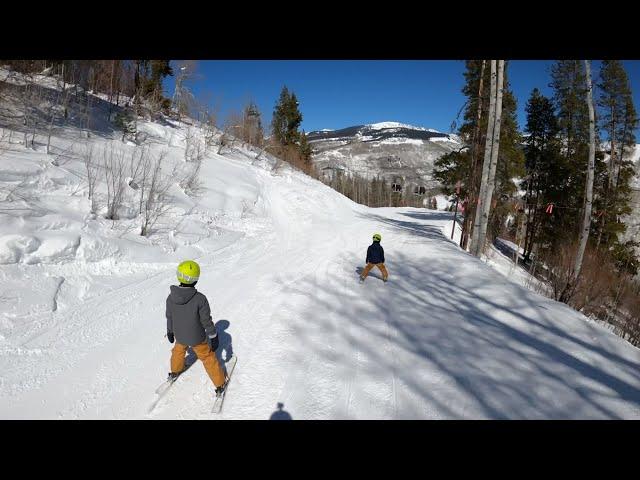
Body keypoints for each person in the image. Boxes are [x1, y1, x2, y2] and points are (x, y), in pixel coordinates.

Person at [166, 260, 227, 396]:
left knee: (178, 351)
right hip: (197, 338)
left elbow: (169, 316)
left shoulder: (171, 297)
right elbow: (206, 321)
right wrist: (213, 335)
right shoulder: (200, 299)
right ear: (196, 280)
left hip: (180, 335)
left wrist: (170, 331)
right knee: (207, 357)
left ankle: (175, 371)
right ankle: (220, 383)